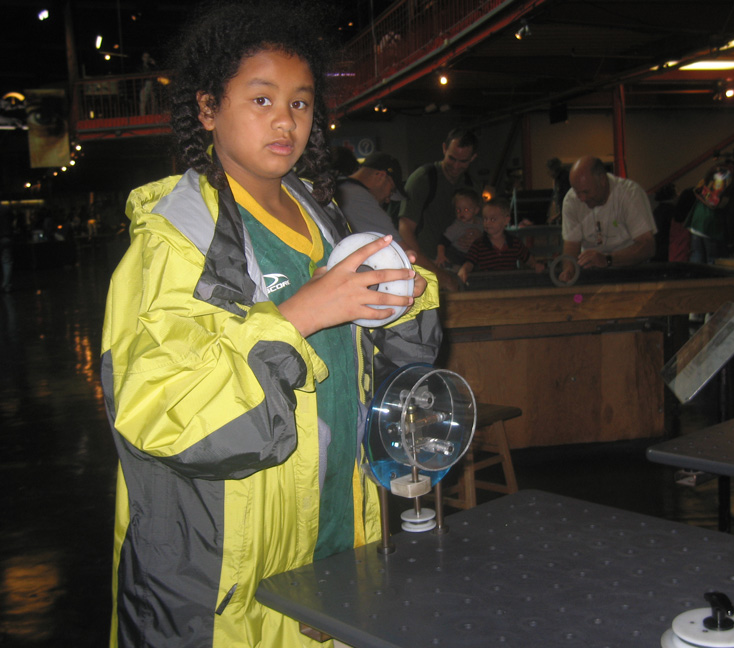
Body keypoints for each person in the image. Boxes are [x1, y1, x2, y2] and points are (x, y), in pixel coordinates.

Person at [100, 3, 441, 647]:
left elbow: (391, 364)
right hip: (227, 580)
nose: (286, 121)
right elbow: (160, 410)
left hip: (341, 536)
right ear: (207, 108)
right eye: (261, 99)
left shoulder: (327, 220)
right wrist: (301, 314)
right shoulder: (174, 241)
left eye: (301, 103)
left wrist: (402, 297)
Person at [399, 128, 478, 291]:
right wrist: (426, 269)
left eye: (463, 161)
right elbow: (405, 228)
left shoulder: (471, 185)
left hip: (461, 269)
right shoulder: (423, 178)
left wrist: (478, 234)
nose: (456, 166)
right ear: (444, 149)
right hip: (428, 268)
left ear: (473, 158)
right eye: (452, 158)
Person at [559, 156, 656, 281]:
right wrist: (568, 271)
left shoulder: (630, 194)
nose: (582, 198)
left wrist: (607, 259)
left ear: (603, 180)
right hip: (592, 273)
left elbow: (647, 246)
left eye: (586, 192)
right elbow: (571, 245)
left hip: (633, 272)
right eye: (578, 192)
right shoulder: (571, 200)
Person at [457, 197, 543, 284]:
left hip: (511, 285)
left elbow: (528, 259)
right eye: (485, 219)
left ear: (506, 220)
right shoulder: (478, 244)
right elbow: (469, 263)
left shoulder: (515, 243)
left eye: (493, 219)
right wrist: (464, 269)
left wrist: (535, 265)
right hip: (488, 286)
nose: (487, 223)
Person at [335, 151, 404, 241]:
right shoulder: (358, 197)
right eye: (391, 191)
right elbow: (397, 247)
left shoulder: (338, 186)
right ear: (381, 176)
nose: (387, 200)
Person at [435, 187, 483, 268]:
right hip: (458, 254)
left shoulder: (481, 223)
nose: (461, 213)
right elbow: (443, 241)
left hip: (474, 256)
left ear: (476, 210)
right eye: (458, 210)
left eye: (466, 210)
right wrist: (441, 255)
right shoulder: (457, 226)